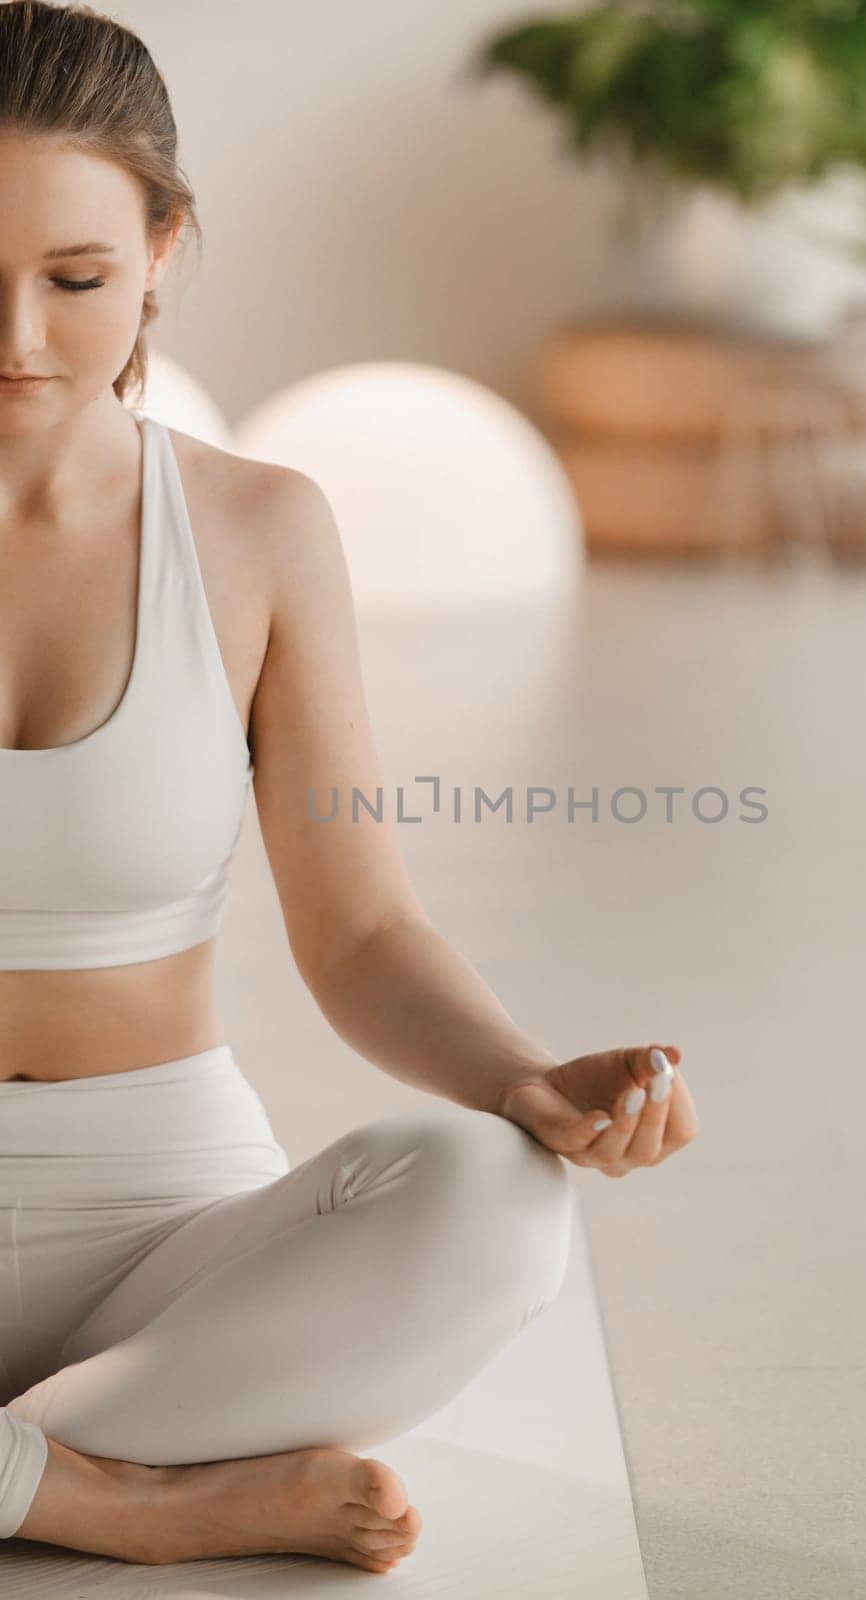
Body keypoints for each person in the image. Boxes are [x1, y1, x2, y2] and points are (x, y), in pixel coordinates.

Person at [0, 0, 699, 1575]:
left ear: (164, 246)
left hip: (162, 1240)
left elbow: (363, 932)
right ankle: (117, 1491)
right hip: (168, 1396)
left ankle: (32, 1460)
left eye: (76, 279)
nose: (19, 340)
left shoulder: (257, 530)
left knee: (492, 1195)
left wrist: (528, 1086)